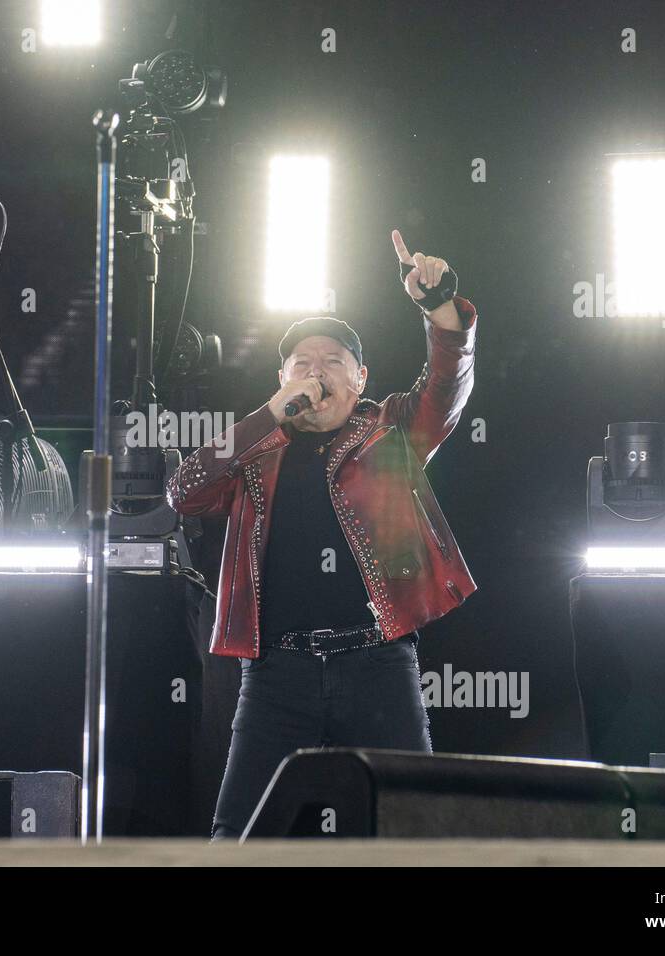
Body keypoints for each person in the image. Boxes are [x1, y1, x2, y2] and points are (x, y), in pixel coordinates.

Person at [167, 228, 478, 840]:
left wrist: (441, 307)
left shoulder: (390, 432)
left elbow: (447, 388)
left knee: (413, 832)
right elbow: (185, 490)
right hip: (276, 672)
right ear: (281, 379)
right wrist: (270, 415)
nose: (317, 372)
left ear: (359, 378)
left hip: (376, 663)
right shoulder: (255, 451)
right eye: (301, 364)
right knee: (239, 837)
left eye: (333, 362)